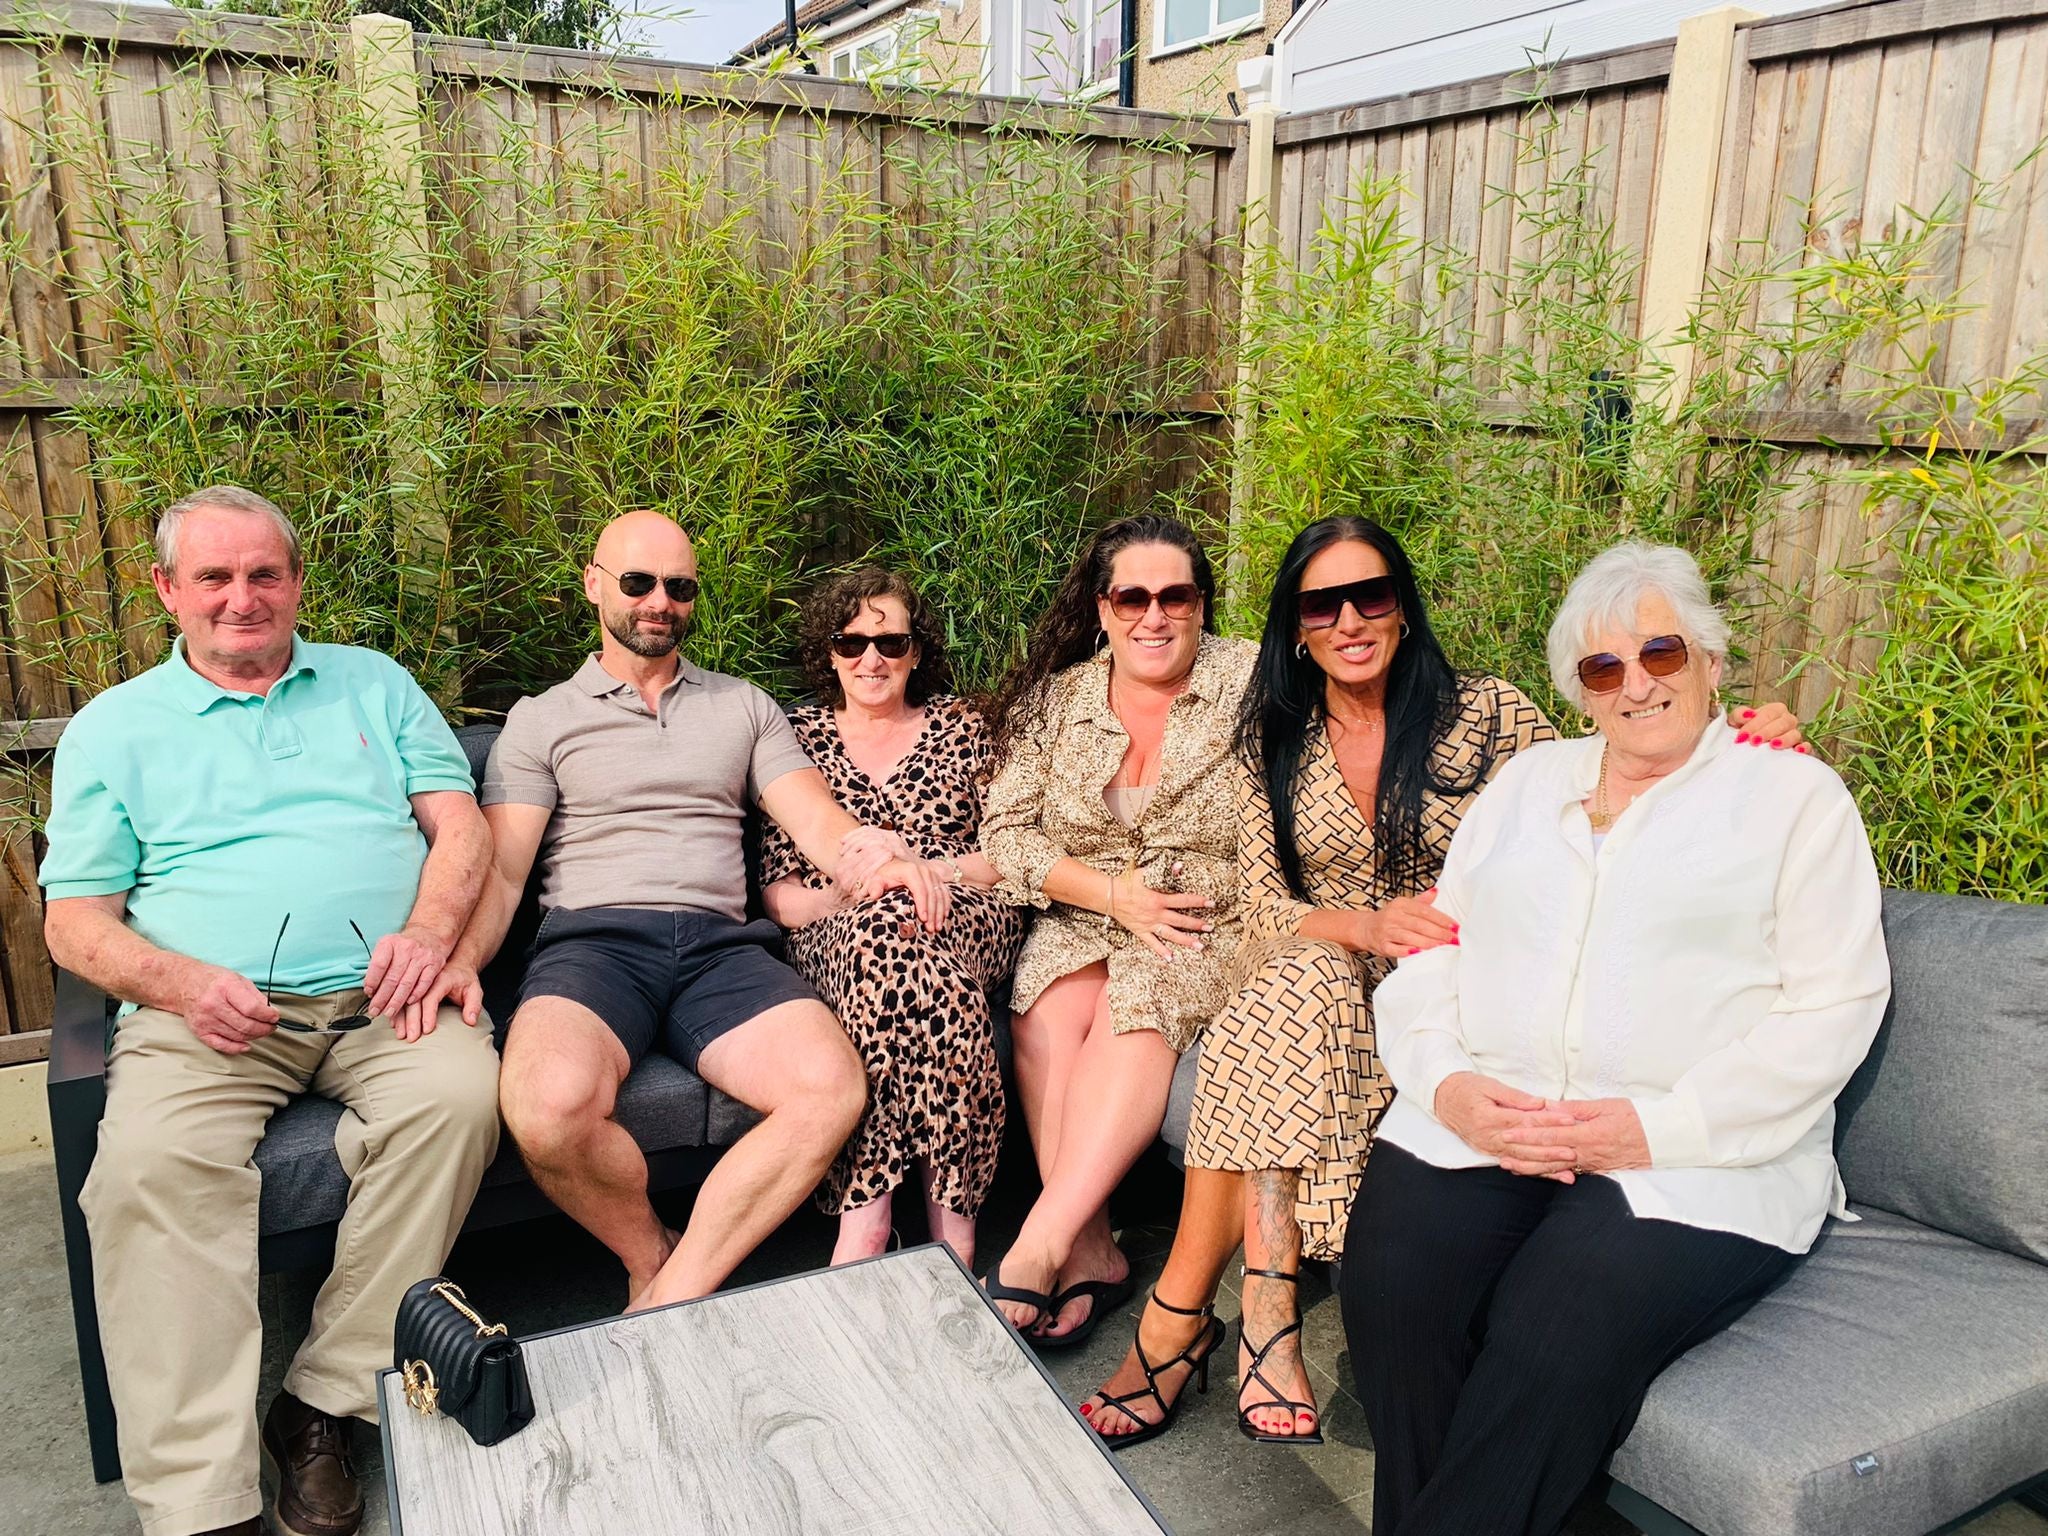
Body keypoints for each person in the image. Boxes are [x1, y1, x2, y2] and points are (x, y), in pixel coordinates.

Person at [1083, 518, 1808, 1450]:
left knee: (1276, 1012)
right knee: (1297, 982)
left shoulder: (1490, 712)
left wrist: (1739, 729)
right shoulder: (1276, 734)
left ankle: (1185, 1324)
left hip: (1460, 976)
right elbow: (1264, 906)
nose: (1349, 619)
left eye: (1371, 595)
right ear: (1294, 627)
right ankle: (1247, 1315)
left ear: (1404, 609)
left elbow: (1618, 770)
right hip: (1326, 957)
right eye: (1321, 604)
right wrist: (1366, 925)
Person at [1342, 541, 1889, 1536]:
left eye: (1662, 654)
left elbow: (1832, 1007)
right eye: (1604, 669)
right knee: (1394, 1296)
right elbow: (1432, 948)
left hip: (1695, 1160)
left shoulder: (1791, 801)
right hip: (1483, 1113)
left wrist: (1655, 1129)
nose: (1637, 684)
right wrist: (1447, 1085)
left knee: (1548, 1335)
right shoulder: (1523, 786)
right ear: (1579, 693)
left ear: (1711, 663)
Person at [39, 485, 502, 1536]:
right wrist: (180, 983)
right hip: (202, 1016)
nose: (242, 598)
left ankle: (321, 1404)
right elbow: (74, 924)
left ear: (295, 584)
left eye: (263, 574)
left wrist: (428, 936)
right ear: (167, 590)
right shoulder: (115, 731)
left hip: (382, 996)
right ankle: (200, 1500)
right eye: (215, 577)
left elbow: (460, 829)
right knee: (151, 1170)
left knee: (462, 1096)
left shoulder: (373, 686)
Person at [421, 510, 951, 1313]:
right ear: (595, 585)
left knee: (830, 1087)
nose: (657, 601)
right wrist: (463, 959)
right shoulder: (542, 719)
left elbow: (816, 822)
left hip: (720, 950)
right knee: (543, 1107)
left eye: (678, 586)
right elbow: (501, 876)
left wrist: (883, 855)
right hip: (593, 945)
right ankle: (651, 1254)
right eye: (637, 582)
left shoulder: (743, 707)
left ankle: (668, 1300)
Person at [977, 513, 1254, 1349]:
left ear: (1202, 606)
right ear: (1103, 609)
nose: (1154, 615)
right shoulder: (1059, 702)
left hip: (1199, 918)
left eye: (1176, 596)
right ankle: (1094, 1246)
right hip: (1088, 911)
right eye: (1132, 596)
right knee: (1050, 1006)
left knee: (1138, 999)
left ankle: (1040, 1239)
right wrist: (1108, 895)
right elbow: (1008, 834)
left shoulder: (1256, 683)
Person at [759, 568, 1025, 1268]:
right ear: (829, 653)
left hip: (966, 911)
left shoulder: (966, 727)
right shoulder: (797, 739)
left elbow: (1008, 853)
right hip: (837, 930)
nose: (870, 660)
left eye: (889, 642)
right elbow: (781, 894)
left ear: (915, 651)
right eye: (851, 644)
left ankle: (864, 1220)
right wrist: (865, 896)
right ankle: (955, 1223)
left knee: (897, 932)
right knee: (892, 941)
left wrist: (923, 872)